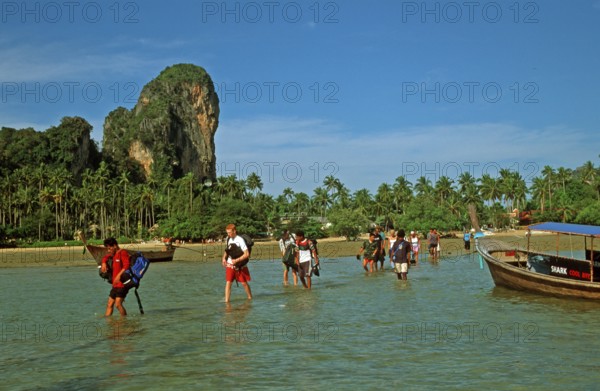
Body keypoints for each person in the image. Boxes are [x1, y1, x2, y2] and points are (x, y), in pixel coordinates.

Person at [222, 224, 252, 302]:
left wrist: (237, 260)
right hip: (230, 264)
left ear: (234, 231)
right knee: (228, 283)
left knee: (244, 283)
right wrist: (224, 258)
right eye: (227, 232)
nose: (228, 234)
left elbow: (246, 254)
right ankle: (226, 301)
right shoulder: (228, 239)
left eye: (229, 232)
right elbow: (227, 250)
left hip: (239, 265)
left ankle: (250, 298)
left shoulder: (240, 240)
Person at [101, 237, 131, 316]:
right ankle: (107, 322)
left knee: (118, 304)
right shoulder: (113, 254)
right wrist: (103, 263)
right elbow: (105, 257)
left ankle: (124, 321)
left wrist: (118, 275)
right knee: (109, 304)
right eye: (107, 248)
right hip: (115, 285)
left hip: (122, 284)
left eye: (109, 248)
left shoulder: (123, 253)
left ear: (115, 246)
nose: (108, 250)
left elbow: (127, 265)